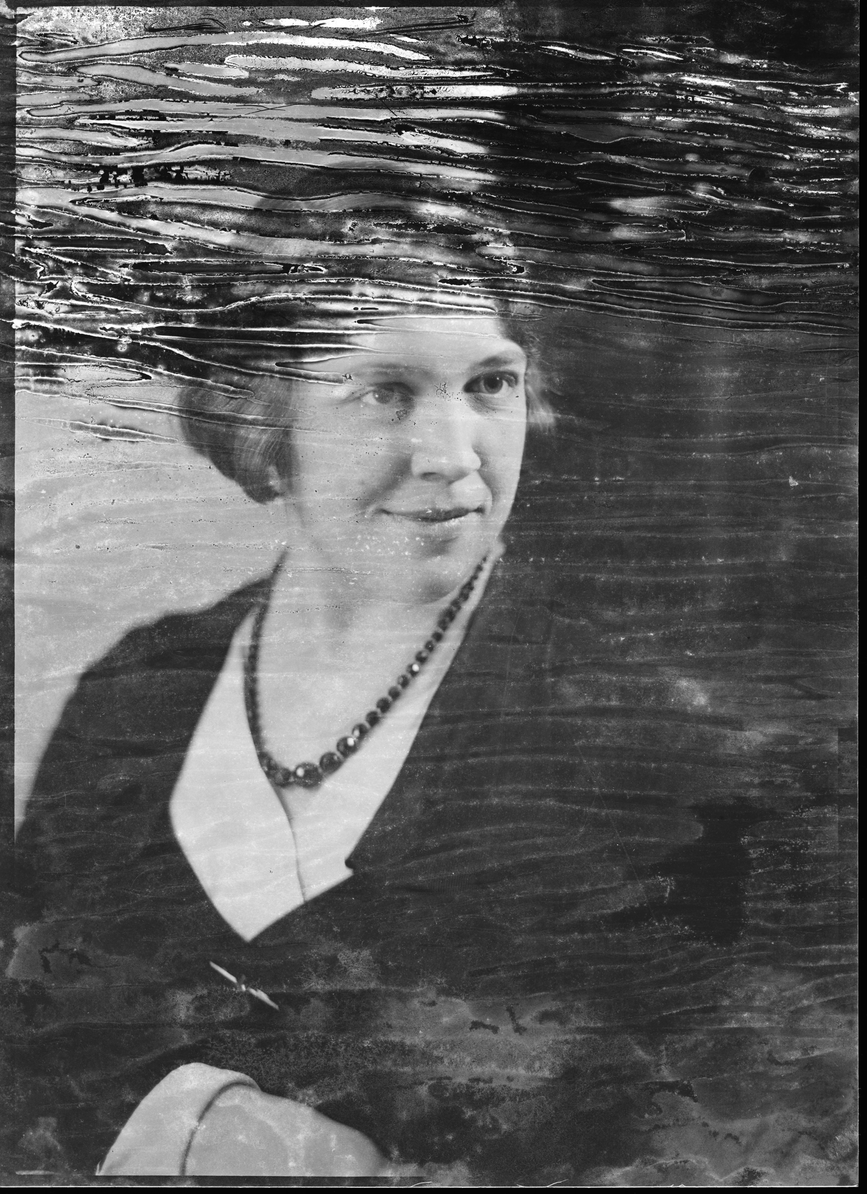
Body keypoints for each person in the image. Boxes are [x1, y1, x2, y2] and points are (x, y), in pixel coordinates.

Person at [6, 292, 826, 1183]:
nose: (451, 455)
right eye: (383, 392)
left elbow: (760, 1137)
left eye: (490, 384)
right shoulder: (134, 700)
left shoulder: (660, 754)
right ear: (263, 418)